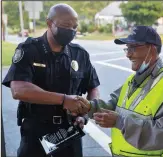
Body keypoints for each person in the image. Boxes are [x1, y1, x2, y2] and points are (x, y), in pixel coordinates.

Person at [2, 4, 99, 157]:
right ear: (49, 23)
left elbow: (93, 87)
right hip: (36, 132)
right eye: (66, 26)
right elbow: (18, 89)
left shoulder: (80, 54)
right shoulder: (29, 50)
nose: (72, 31)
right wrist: (63, 99)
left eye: (75, 27)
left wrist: (85, 113)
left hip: (69, 132)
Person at [79, 26, 163, 157]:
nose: (128, 54)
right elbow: (113, 105)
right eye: (127, 48)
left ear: (152, 49)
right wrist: (88, 107)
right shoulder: (132, 80)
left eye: (133, 48)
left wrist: (119, 122)